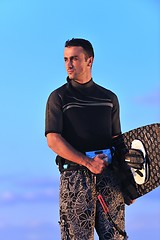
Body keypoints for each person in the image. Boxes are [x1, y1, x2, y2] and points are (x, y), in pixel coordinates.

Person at [45, 38, 132, 240]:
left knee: (115, 238)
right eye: (66, 59)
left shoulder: (109, 98)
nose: (69, 64)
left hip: (109, 178)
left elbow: (117, 142)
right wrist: (87, 162)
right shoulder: (59, 98)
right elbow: (53, 140)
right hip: (75, 179)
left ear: (89, 60)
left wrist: (129, 184)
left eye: (74, 58)